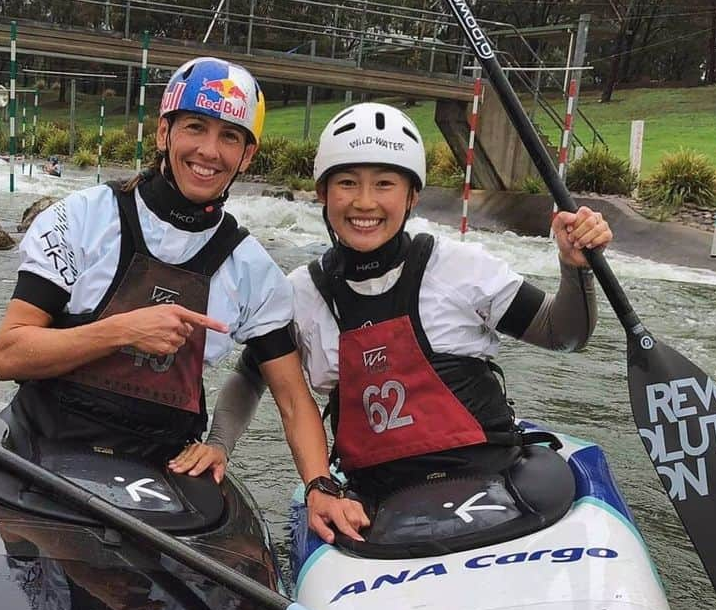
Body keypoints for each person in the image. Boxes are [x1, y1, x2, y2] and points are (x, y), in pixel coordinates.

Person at [0, 56, 369, 543]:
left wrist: (318, 486)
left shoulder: (253, 270)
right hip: (42, 444)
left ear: (247, 157)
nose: (210, 151)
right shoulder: (83, 219)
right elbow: (9, 353)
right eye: (195, 127)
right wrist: (123, 330)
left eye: (230, 137)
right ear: (163, 133)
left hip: (161, 467)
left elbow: (294, 400)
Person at [174, 101, 613, 504]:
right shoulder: (298, 293)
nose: (364, 202)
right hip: (378, 499)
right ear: (323, 195)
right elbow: (251, 377)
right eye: (347, 183)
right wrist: (219, 444)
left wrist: (576, 268)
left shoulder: (462, 267)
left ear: (412, 196)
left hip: (492, 478)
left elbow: (563, 336)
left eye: (384, 184)